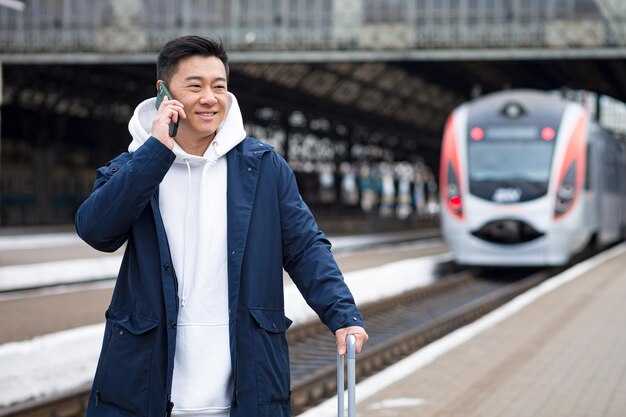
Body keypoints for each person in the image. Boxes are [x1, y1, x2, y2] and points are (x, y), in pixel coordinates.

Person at [75, 35, 368, 417]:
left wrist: (342, 314)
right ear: (163, 93)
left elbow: (305, 246)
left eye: (219, 86)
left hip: (246, 383)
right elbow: (96, 231)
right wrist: (155, 152)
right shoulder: (132, 165)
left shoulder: (262, 168)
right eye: (194, 86)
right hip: (145, 383)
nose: (210, 97)